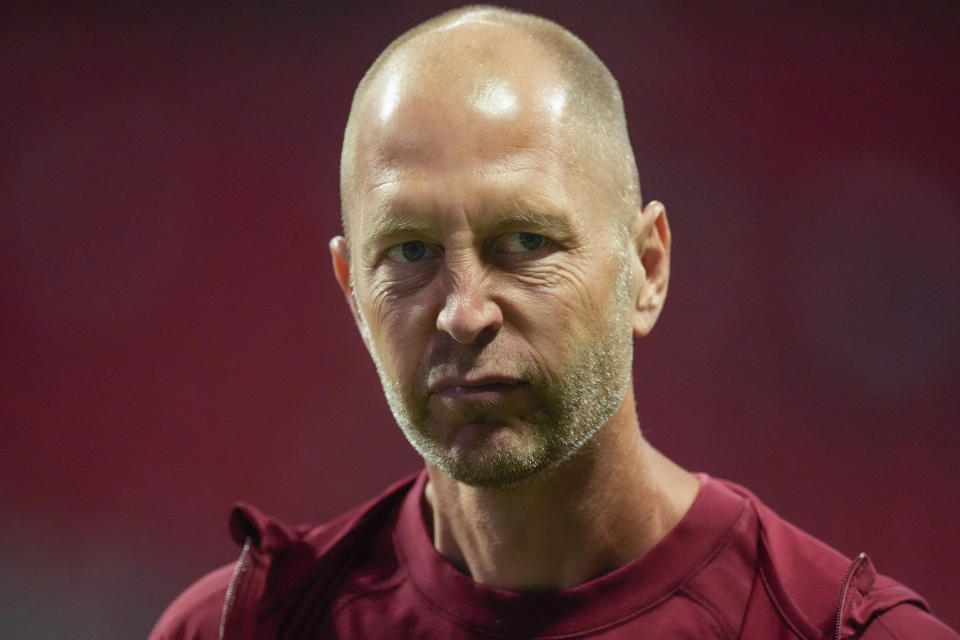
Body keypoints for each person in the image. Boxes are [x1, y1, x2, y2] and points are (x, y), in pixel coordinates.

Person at [150, 6, 957, 639]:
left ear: (646, 269)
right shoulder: (234, 630)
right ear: (354, 296)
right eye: (409, 253)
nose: (464, 312)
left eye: (525, 242)